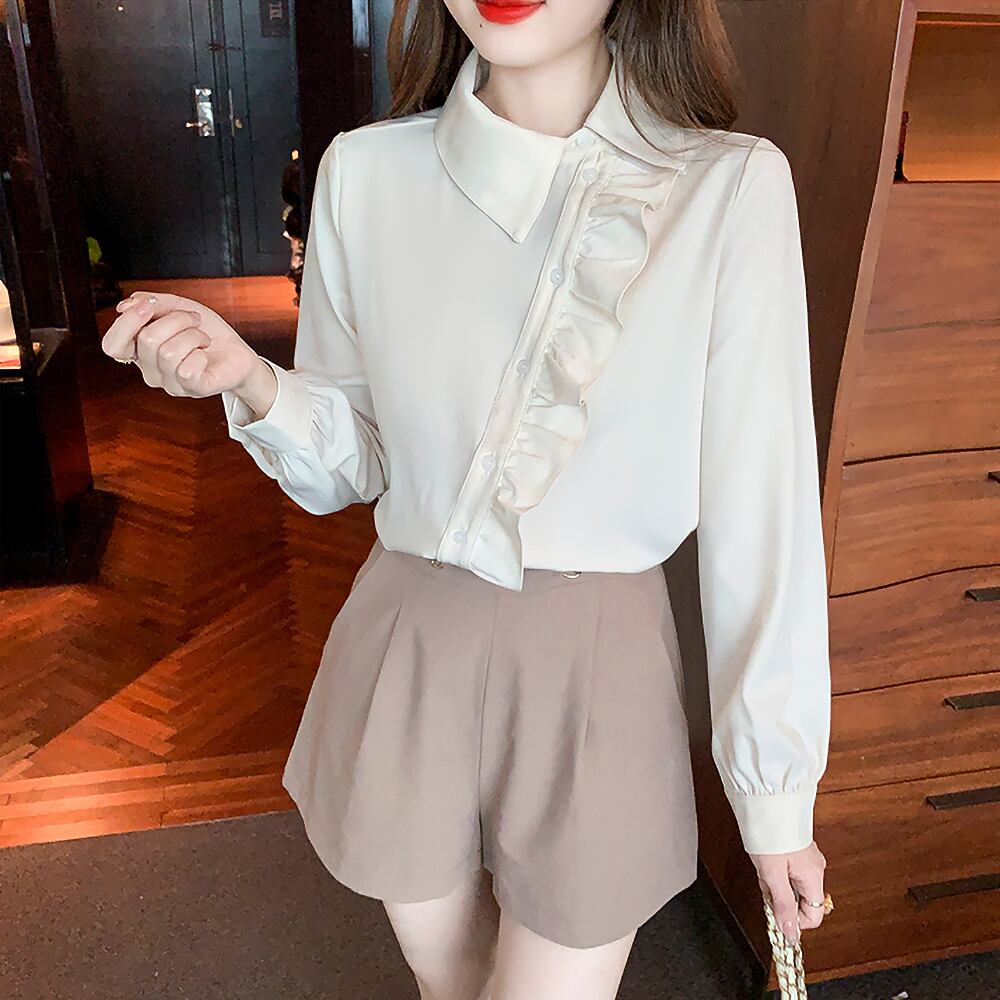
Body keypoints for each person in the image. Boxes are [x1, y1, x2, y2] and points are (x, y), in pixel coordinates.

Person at [101, 0, 833, 996]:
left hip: (598, 663)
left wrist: (775, 794)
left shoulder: (728, 186)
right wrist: (254, 381)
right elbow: (355, 460)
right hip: (408, 636)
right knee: (449, 981)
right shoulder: (366, 173)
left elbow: (765, 513)